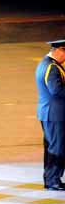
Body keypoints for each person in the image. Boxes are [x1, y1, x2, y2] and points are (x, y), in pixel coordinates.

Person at [35, 39, 65, 191]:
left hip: (49, 113)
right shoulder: (51, 68)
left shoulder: (45, 63)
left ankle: (50, 179)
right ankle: (53, 181)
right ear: (59, 50)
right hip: (55, 114)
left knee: (51, 146)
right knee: (57, 147)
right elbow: (57, 91)